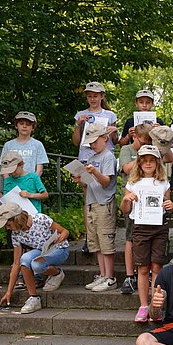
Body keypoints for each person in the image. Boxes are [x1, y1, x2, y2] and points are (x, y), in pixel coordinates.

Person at [121, 145, 173, 322]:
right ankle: (143, 305)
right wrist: (126, 199)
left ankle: (156, 305)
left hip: (159, 227)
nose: (148, 163)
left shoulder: (163, 182)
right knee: (143, 268)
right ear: (139, 162)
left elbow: (169, 206)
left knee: (157, 267)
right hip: (140, 227)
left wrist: (170, 206)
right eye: (145, 160)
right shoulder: (133, 183)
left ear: (157, 162)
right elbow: (125, 210)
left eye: (152, 160)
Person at [0, 203, 69, 313]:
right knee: (24, 259)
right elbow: (16, 264)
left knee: (36, 265)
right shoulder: (15, 234)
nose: (7, 228)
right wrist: (9, 292)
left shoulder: (40, 219)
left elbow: (64, 231)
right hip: (41, 251)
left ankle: (57, 273)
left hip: (59, 249)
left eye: (8, 224)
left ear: (16, 219)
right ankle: (34, 298)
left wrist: (62, 235)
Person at [72, 82, 118, 254]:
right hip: (86, 157)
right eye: (90, 95)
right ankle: (89, 237)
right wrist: (78, 124)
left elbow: (115, 139)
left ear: (101, 96)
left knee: (105, 194)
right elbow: (76, 141)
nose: (93, 98)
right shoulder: (81, 114)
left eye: (96, 95)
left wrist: (113, 131)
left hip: (105, 158)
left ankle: (105, 234)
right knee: (88, 198)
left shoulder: (110, 114)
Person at [72, 123, 118, 292]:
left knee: (106, 241)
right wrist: (81, 178)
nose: (92, 145)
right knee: (95, 242)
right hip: (91, 202)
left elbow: (106, 182)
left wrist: (94, 173)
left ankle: (110, 277)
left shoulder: (108, 157)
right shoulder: (90, 159)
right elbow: (89, 183)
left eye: (95, 141)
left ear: (105, 138)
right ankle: (103, 274)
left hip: (104, 203)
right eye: (90, 142)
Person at [118, 124, 157, 295]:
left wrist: (157, 143)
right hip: (134, 201)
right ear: (134, 136)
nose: (146, 143)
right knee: (130, 237)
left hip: (152, 208)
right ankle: (129, 274)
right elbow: (126, 168)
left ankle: (146, 272)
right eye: (143, 140)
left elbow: (169, 157)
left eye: (149, 140)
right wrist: (143, 156)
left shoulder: (153, 149)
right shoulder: (127, 149)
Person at [0, 111, 48, 176]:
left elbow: (39, 170)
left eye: (28, 124)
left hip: (30, 183)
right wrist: (9, 183)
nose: (24, 126)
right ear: (16, 126)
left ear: (33, 127)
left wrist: (31, 182)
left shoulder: (38, 145)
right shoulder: (8, 145)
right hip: (12, 182)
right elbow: (4, 167)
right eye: (21, 123)